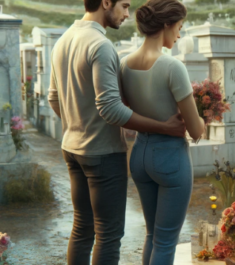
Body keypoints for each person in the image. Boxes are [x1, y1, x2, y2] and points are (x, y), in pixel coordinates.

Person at [47, 0, 187, 264]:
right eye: (124, 5)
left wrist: (77, 124)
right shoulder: (100, 45)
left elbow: (54, 99)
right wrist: (164, 127)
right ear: (105, 3)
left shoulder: (64, 39)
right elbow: (111, 109)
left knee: (81, 229)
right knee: (108, 235)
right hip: (102, 153)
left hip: (72, 149)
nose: (127, 14)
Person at [120, 0, 205, 264]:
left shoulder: (124, 64)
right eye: (179, 27)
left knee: (152, 235)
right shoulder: (172, 66)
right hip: (169, 158)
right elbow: (195, 130)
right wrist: (203, 118)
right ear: (166, 25)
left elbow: (125, 113)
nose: (179, 34)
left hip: (139, 156)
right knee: (167, 241)